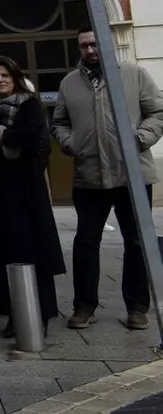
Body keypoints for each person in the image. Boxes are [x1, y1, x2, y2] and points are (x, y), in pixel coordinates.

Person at [52, 25, 163, 331]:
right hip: (88, 176)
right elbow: (59, 121)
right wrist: (69, 143)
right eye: (84, 46)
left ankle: (137, 308)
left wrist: (140, 138)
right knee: (86, 242)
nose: (89, 50)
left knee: (137, 242)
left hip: (133, 174)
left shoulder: (134, 74)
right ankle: (84, 307)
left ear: (108, 44)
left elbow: (158, 112)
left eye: (94, 44)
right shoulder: (69, 82)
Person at [0, 55, 65, 337]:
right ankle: (14, 314)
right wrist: (3, 140)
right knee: (5, 253)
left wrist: (3, 135)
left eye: (5, 76)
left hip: (27, 190)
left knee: (33, 251)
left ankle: (42, 314)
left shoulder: (30, 104)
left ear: (15, 78)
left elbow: (32, 135)